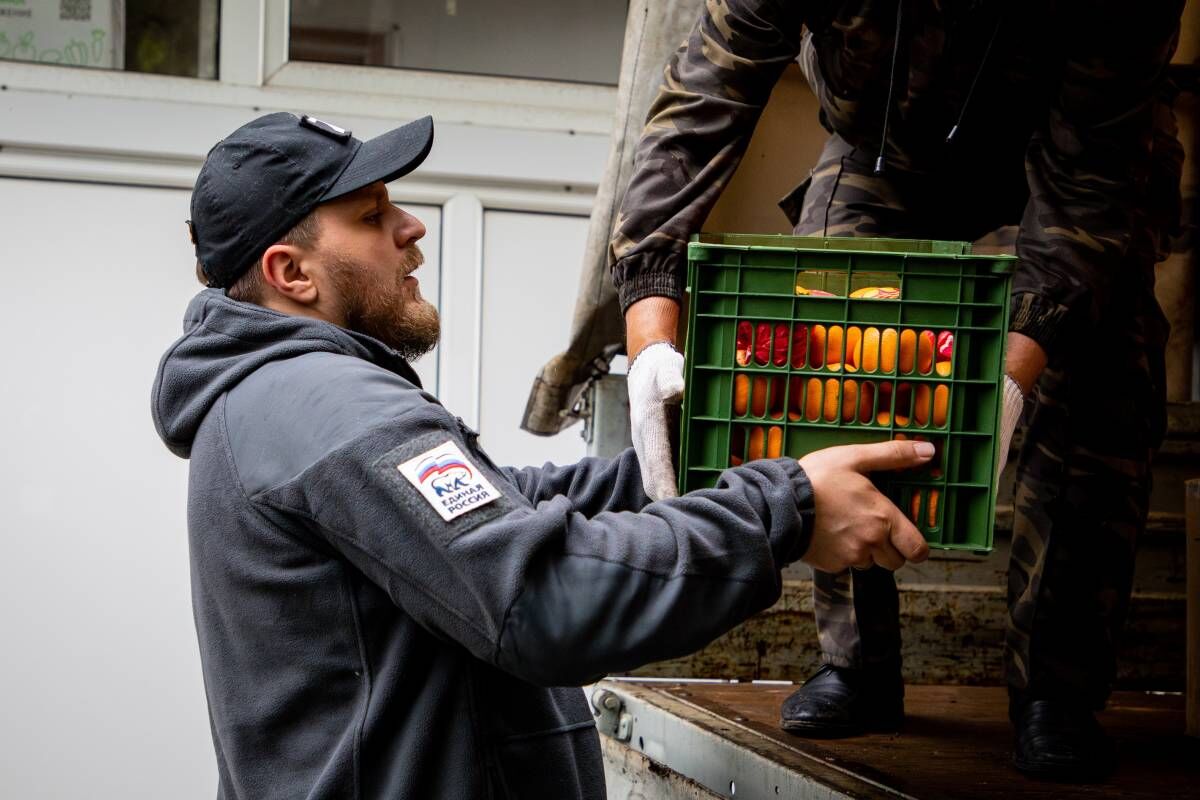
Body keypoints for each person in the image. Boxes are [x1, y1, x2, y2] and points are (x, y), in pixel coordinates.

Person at [150, 112, 935, 799]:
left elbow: (504, 505)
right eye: (370, 214)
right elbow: (543, 596)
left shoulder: (282, 402)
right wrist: (785, 508)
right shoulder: (326, 410)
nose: (410, 229)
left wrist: (686, 465)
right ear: (292, 273)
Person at [609, 0, 1185, 781]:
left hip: (1074, 160)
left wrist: (1007, 382)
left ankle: (1058, 692)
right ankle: (857, 665)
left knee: (1101, 358)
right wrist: (648, 340)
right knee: (824, 325)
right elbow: (699, 108)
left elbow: (1088, 186)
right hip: (887, 153)